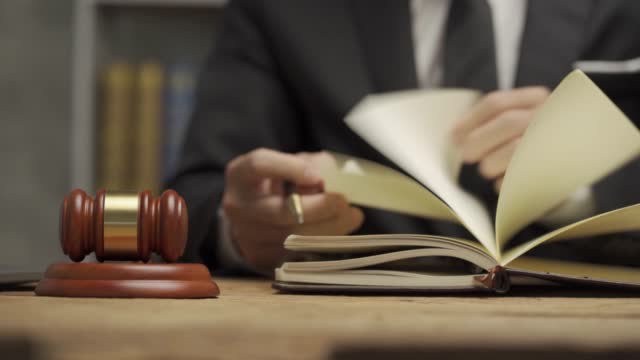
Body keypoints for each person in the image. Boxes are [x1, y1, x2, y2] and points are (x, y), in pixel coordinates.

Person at [168, 0, 640, 274]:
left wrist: (586, 185)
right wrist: (242, 231)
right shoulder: (285, 11)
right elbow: (199, 195)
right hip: (349, 332)